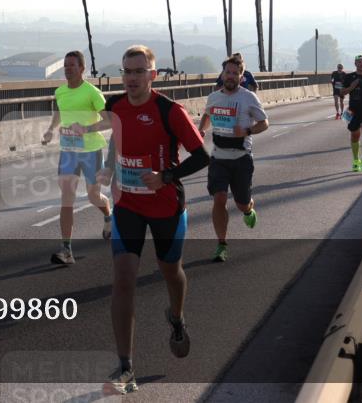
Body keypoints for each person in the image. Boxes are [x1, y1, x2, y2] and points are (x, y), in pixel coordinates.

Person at [85, 45, 209, 394]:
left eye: (139, 71)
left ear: (153, 75)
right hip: (128, 207)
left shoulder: (170, 111)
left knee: (172, 271)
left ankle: (177, 316)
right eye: (127, 71)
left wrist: (168, 176)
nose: (132, 78)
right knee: (123, 280)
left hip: (167, 206)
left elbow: (203, 156)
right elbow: (115, 138)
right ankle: (126, 368)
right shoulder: (115, 106)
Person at [42, 51, 112, 266]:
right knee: (67, 199)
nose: (67, 68)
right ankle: (66, 249)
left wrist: (87, 129)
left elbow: (109, 121)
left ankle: (108, 216)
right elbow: (60, 112)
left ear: (82, 68)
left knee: (93, 197)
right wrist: (51, 130)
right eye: (65, 65)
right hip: (68, 151)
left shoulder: (92, 93)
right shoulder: (60, 92)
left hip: (91, 150)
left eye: (72, 65)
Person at [198, 54, 269, 263]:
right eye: (227, 72)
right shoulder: (214, 97)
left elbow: (264, 123)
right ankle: (221, 244)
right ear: (222, 74)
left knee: (241, 203)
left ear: (241, 76)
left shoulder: (248, 97)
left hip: (241, 159)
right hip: (219, 158)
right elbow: (207, 115)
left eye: (235, 73)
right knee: (219, 198)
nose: (230, 76)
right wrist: (201, 130)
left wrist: (246, 130)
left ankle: (248, 208)